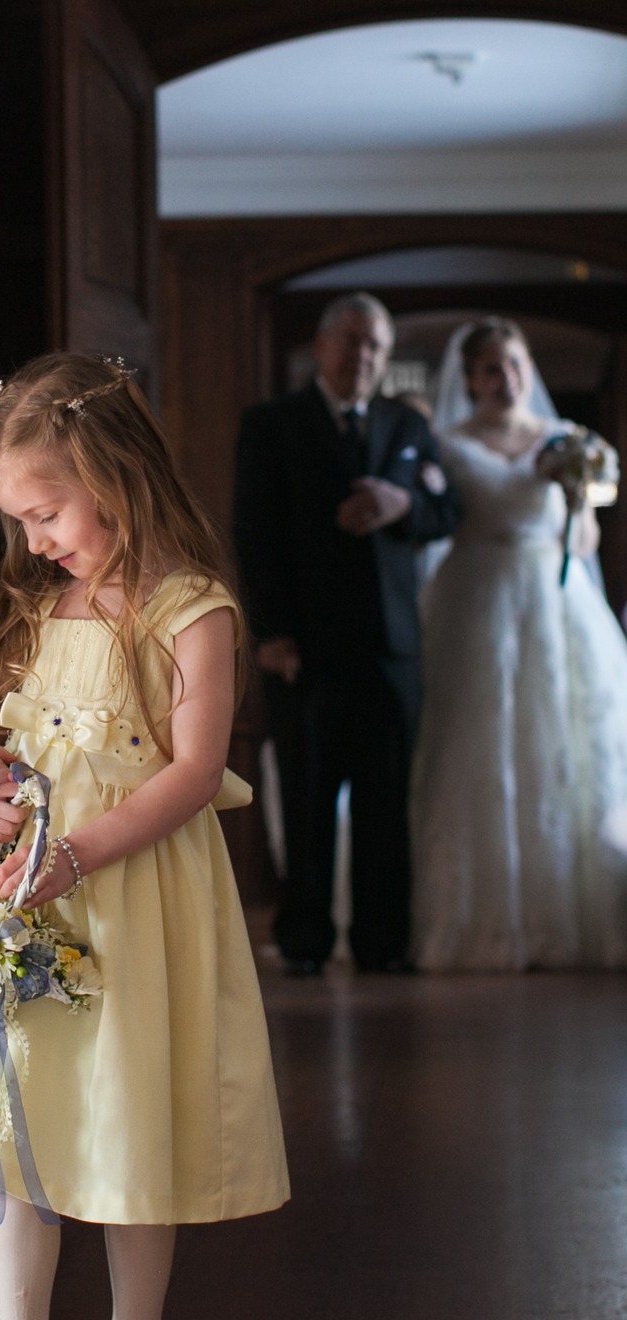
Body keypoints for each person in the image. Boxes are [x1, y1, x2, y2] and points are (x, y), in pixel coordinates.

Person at [0, 353, 289, 1320]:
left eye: (45, 513)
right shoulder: (25, 605)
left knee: (130, 1113)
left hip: (134, 894)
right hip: (27, 896)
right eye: (16, 519)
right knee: (22, 1111)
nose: (32, 537)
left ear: (113, 475)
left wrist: (79, 856)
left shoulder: (190, 611)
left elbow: (191, 772)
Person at [233, 291, 460, 976]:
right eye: (353, 341)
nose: (363, 355)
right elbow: (255, 534)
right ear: (324, 348)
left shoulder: (406, 423)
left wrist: (404, 503)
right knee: (308, 798)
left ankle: (382, 943)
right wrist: (270, 632)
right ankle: (304, 939)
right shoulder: (272, 423)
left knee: (385, 805)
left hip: (393, 650)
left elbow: (447, 510)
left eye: (376, 346)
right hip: (305, 650)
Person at [411, 318, 627, 971]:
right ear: (471, 380)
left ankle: (579, 913)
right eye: (488, 370)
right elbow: (438, 525)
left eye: (512, 365)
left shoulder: (566, 442)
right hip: (476, 596)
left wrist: (573, 493)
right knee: (476, 742)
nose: (503, 379)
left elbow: (583, 540)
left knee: (565, 741)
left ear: (527, 369)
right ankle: (477, 917)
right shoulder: (447, 445)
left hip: (555, 599)